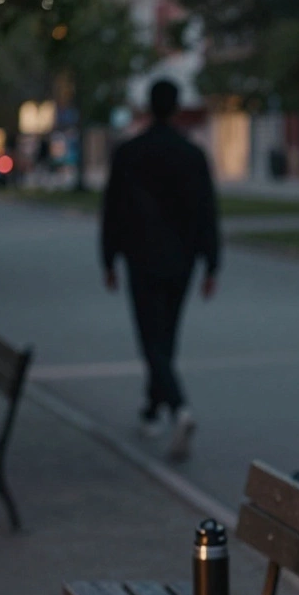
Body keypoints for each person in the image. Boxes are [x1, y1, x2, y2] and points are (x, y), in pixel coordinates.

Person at [101, 79, 221, 459]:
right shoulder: (192, 154)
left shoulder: (129, 152)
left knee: (151, 341)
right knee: (166, 336)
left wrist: (108, 259)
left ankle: (177, 407)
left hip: (142, 258)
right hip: (182, 261)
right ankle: (151, 408)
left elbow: (113, 210)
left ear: (149, 107)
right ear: (176, 107)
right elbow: (207, 212)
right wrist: (211, 264)